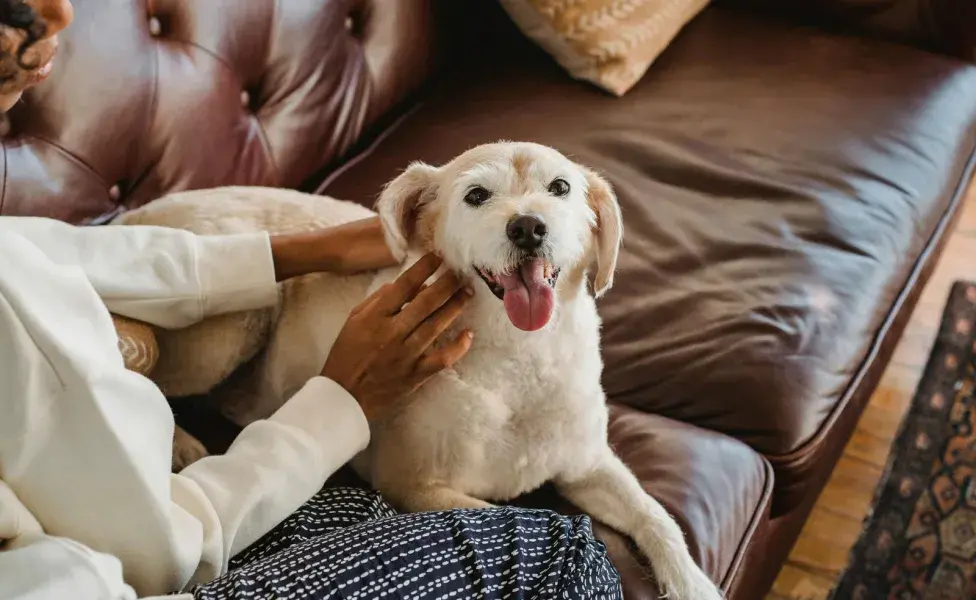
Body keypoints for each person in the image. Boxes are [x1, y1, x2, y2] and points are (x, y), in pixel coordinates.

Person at [0, 1, 624, 599]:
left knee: (393, 491)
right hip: (152, 558)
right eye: (12, 6)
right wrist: (340, 400)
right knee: (564, 555)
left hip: (175, 501)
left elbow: (48, 249)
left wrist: (299, 251)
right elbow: (152, 554)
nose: (60, 14)